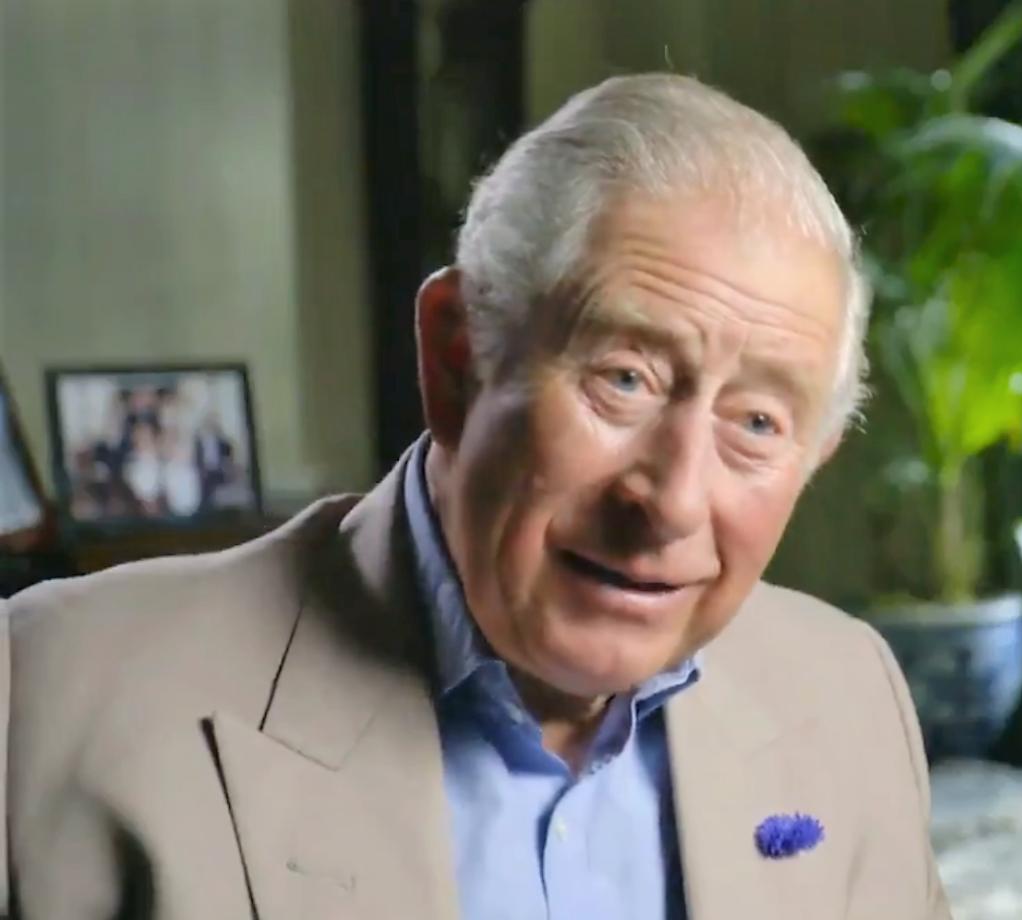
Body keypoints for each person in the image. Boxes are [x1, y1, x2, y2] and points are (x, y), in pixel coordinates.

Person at [0, 74, 949, 919]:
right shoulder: (47, 690)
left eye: (758, 424)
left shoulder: (849, 692)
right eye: (624, 378)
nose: (672, 503)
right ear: (457, 359)